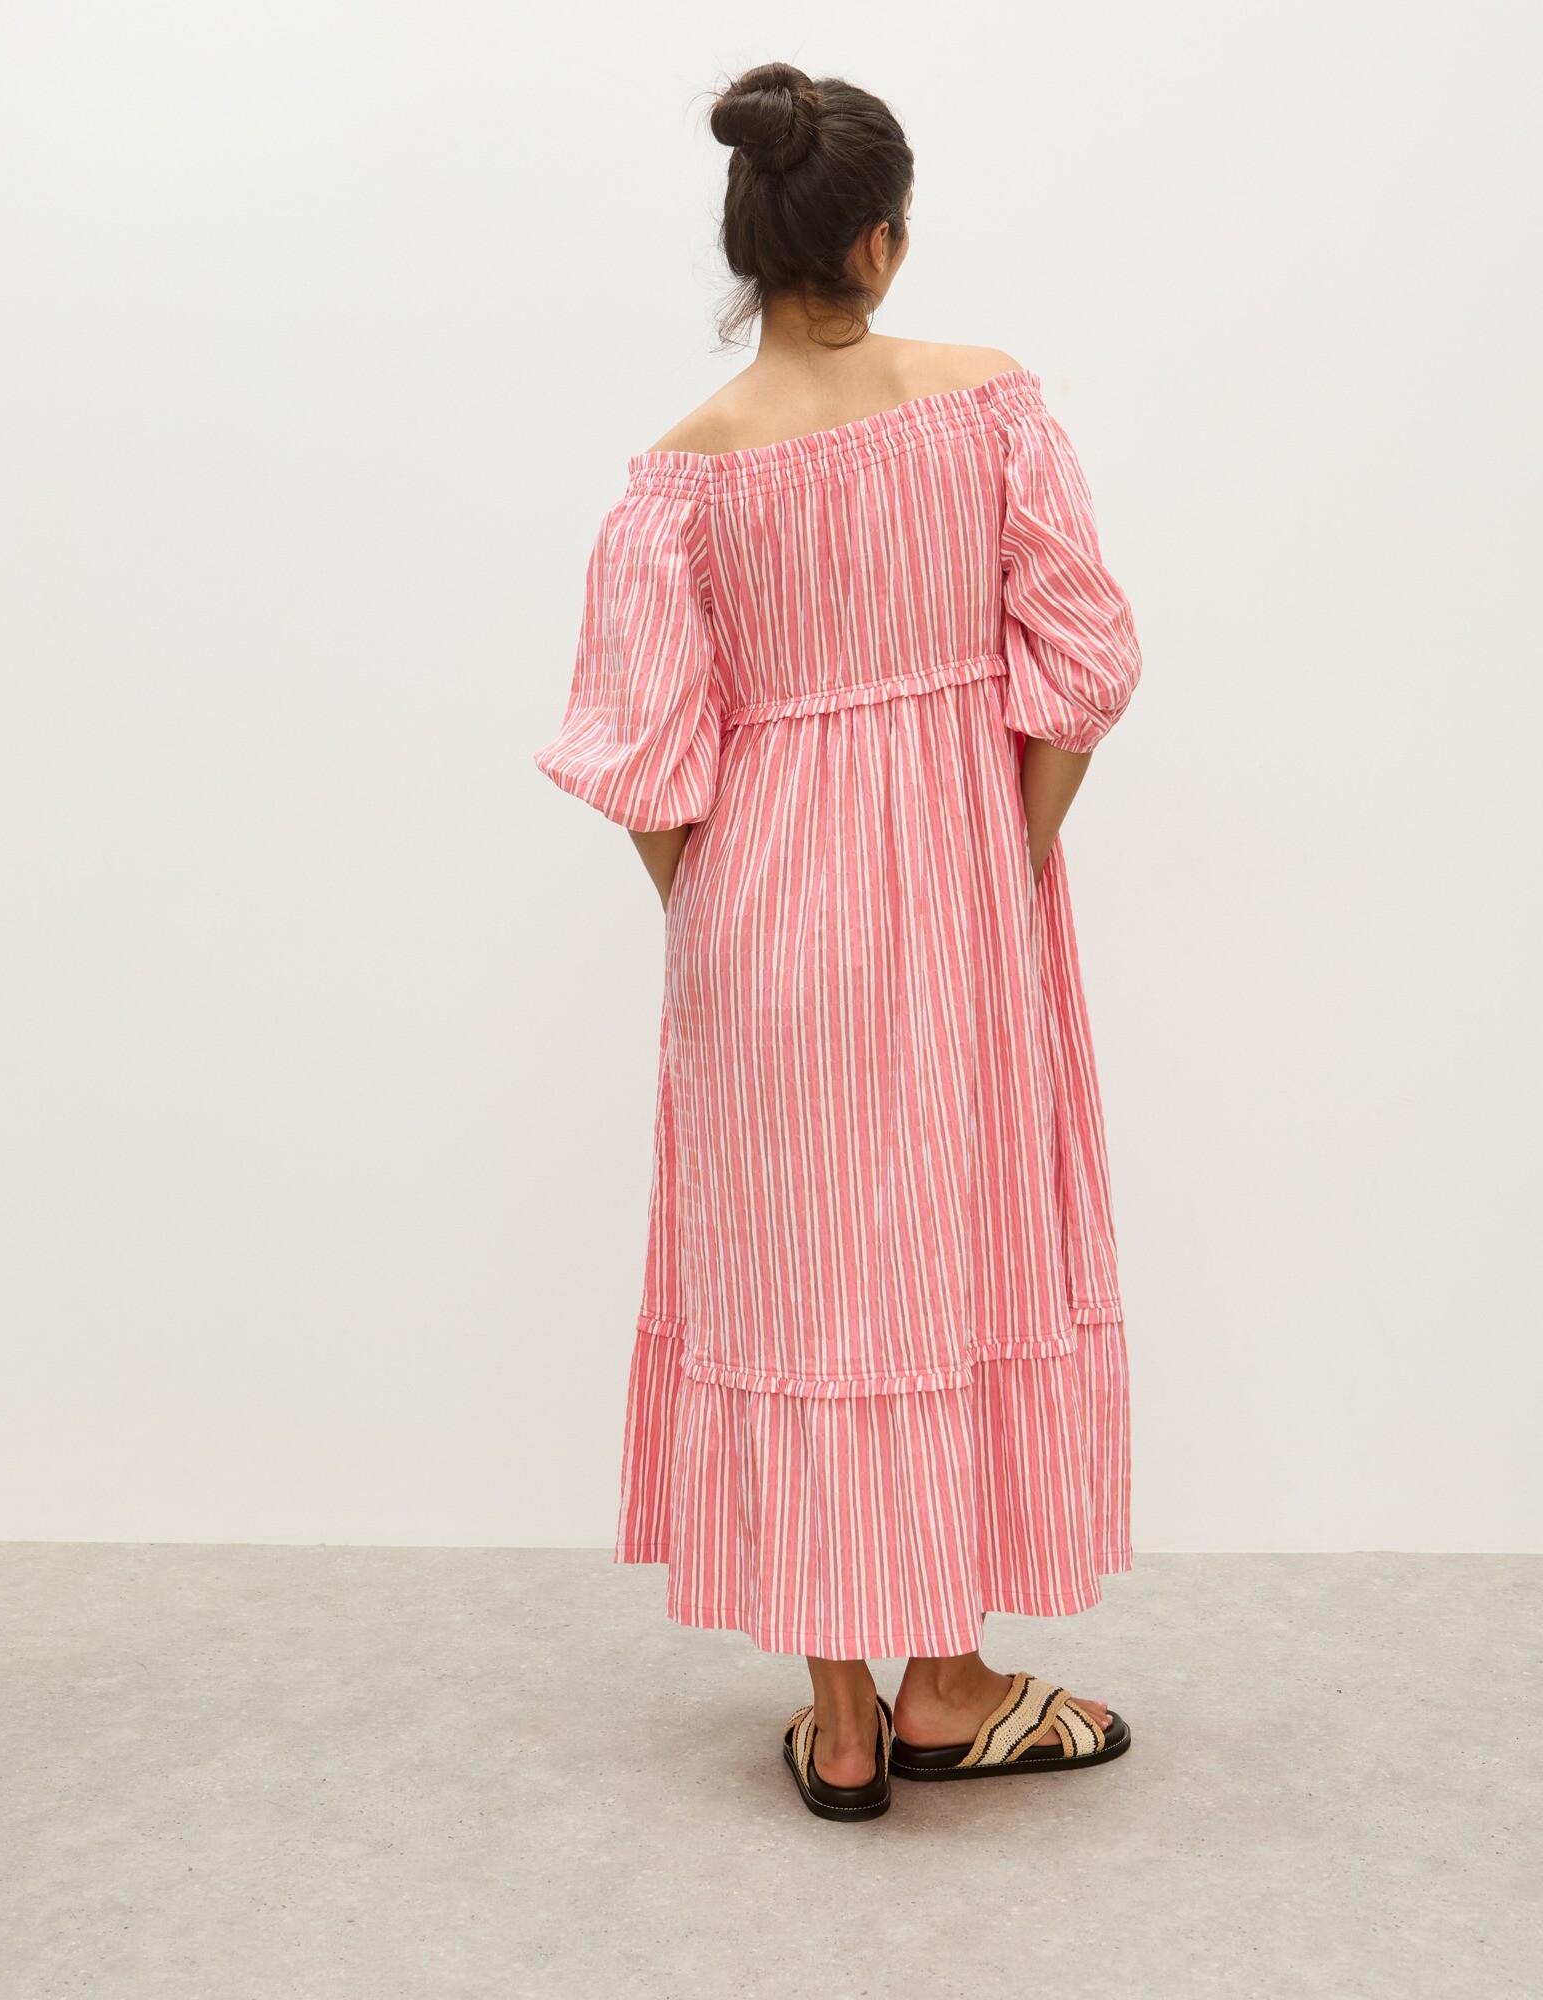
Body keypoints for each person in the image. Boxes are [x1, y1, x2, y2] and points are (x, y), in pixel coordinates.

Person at [534, 61, 1143, 1824]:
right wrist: (1002, 862)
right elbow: (1084, 667)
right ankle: (951, 1680)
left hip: (760, 924)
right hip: (962, 906)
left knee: (798, 1275)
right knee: (952, 1259)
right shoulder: (987, 407)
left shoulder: (679, 479)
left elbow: (644, 763)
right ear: (881, 240)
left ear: (754, 244)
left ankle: (848, 1721)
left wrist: (725, 923)